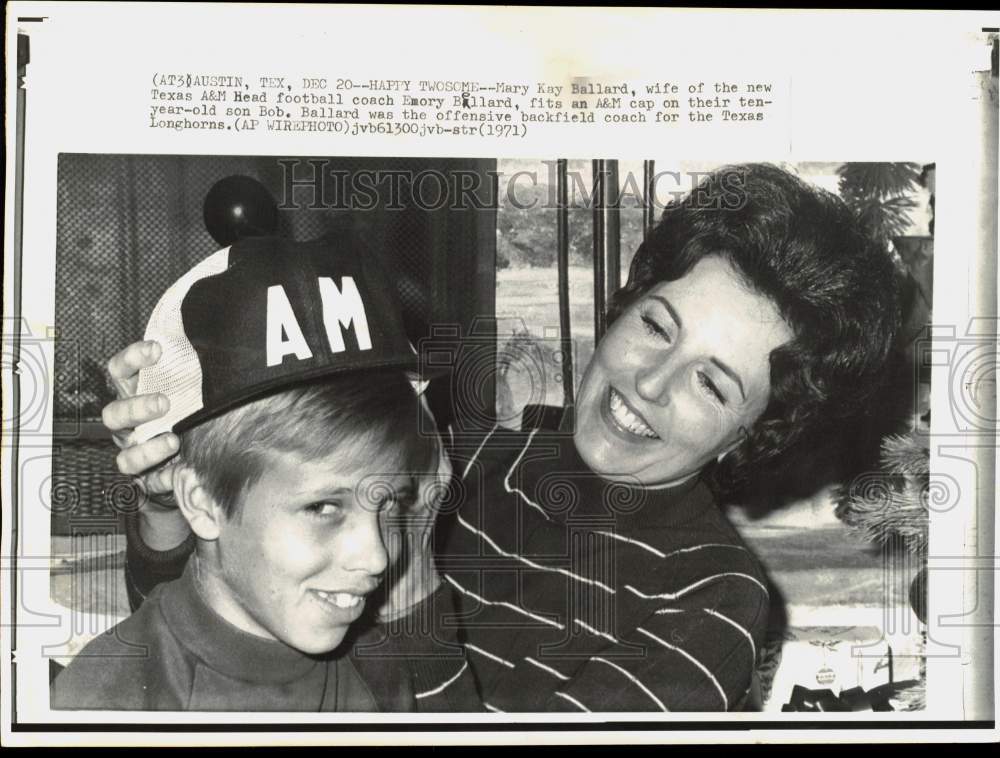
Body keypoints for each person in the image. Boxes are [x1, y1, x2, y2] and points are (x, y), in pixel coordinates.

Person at [102, 164, 900, 711]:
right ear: (622, 306)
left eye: (711, 382)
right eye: (657, 326)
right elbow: (196, 643)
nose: (649, 383)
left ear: (749, 435)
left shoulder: (714, 604)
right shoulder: (468, 457)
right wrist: (172, 498)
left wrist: (417, 601)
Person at [53, 235, 476, 711]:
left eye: (391, 500)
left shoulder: (378, 667)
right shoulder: (107, 700)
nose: (377, 556)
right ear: (198, 499)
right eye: (323, 507)